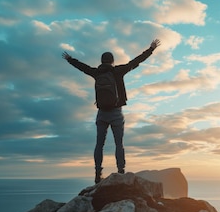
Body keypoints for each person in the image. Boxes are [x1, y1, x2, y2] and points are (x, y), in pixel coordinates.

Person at [62, 39, 161, 183]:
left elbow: (82, 67)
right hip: (116, 112)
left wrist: (70, 59)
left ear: (102, 61)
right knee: (118, 144)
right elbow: (135, 62)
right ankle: (121, 171)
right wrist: (151, 49)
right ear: (112, 61)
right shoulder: (118, 71)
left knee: (99, 144)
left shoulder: (96, 72)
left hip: (101, 113)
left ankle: (97, 173)